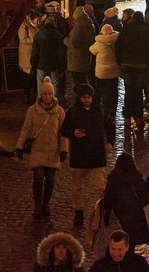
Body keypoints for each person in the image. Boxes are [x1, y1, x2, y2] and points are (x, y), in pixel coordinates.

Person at [60, 84, 113, 228]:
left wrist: (110, 142)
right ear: (80, 98)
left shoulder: (100, 110)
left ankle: (101, 210)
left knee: (100, 186)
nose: (86, 100)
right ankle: (79, 211)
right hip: (80, 155)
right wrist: (73, 133)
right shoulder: (72, 112)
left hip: (96, 154)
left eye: (89, 97)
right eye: (84, 97)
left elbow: (110, 125)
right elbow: (64, 130)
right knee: (77, 187)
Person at [17, 75, 68, 218]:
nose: (47, 96)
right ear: (41, 94)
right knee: (38, 179)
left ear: (53, 94)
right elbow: (26, 129)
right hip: (38, 151)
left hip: (53, 152)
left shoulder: (60, 112)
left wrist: (64, 150)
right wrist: (19, 146)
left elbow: (63, 133)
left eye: (50, 94)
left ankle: (46, 203)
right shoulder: (32, 111)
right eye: (45, 93)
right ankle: (37, 205)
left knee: (50, 180)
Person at [101, 153, 149, 250]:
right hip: (136, 219)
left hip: (119, 218)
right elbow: (145, 200)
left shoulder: (113, 179)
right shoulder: (137, 179)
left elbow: (108, 201)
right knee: (131, 246)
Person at [116, 11, 149, 138]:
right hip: (141, 65)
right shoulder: (146, 30)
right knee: (138, 91)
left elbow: (118, 47)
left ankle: (126, 118)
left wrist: (120, 62)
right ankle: (139, 117)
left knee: (129, 91)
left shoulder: (125, 29)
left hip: (127, 65)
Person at [89, 21, 121, 124]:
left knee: (102, 91)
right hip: (114, 72)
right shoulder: (117, 40)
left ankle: (104, 110)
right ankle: (112, 111)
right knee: (113, 91)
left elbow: (92, 50)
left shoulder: (99, 42)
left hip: (101, 73)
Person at [32, 10, 67, 96]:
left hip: (41, 63)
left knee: (40, 84)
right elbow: (61, 53)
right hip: (54, 64)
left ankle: (41, 102)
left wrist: (33, 63)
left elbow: (35, 51)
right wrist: (62, 67)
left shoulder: (38, 35)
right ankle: (54, 102)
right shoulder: (59, 35)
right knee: (55, 83)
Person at [66, 3, 96, 89]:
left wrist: (65, 40)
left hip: (76, 59)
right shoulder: (90, 24)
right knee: (83, 79)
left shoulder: (78, 27)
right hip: (86, 57)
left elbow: (74, 43)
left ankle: (80, 98)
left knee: (78, 81)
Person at [19, 10, 41, 103]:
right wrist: (35, 40)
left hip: (36, 55)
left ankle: (36, 96)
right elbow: (23, 39)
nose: (39, 22)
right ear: (32, 19)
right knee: (27, 77)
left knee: (35, 77)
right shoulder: (24, 25)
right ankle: (26, 96)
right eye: (37, 20)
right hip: (26, 54)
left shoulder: (37, 27)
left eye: (39, 20)